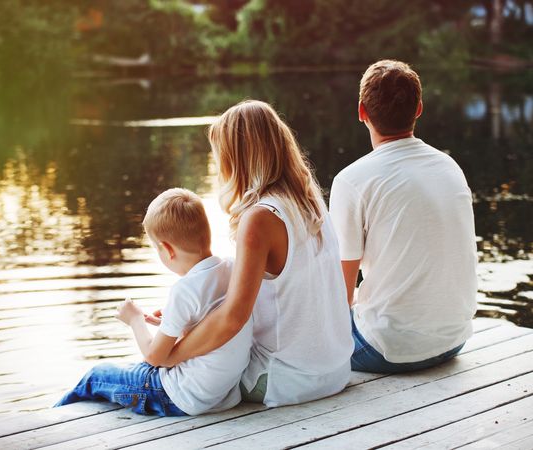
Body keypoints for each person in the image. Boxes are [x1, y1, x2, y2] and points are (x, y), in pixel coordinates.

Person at [161, 100, 354, 407]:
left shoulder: (260, 218)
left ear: (238, 159)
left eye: (221, 158)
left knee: (145, 376)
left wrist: (168, 355)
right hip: (334, 371)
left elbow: (232, 318)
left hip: (285, 380)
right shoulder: (309, 200)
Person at [329, 60, 478, 373]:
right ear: (419, 108)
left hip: (385, 350)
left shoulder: (351, 180)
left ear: (361, 112)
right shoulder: (449, 167)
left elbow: (340, 293)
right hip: (453, 339)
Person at [54, 188, 253, 416]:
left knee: (95, 376)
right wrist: (172, 323)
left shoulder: (184, 290)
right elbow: (208, 325)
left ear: (167, 249)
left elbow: (154, 357)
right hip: (220, 396)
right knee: (128, 371)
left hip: (175, 397)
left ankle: (48, 423)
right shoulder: (231, 268)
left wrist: (135, 319)